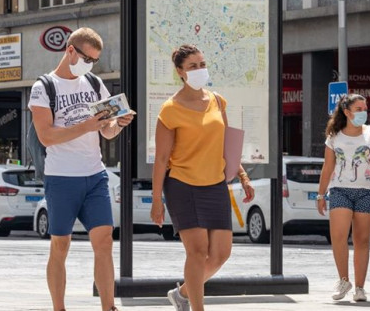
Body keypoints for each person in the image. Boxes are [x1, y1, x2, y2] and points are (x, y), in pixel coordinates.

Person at [28, 27, 133, 311]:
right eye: (87, 57)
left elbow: (107, 132)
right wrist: (88, 125)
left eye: (95, 60)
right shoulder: (44, 87)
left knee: (104, 241)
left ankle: (108, 307)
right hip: (61, 177)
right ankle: (59, 308)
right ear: (70, 50)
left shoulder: (93, 82)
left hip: (95, 174)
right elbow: (46, 136)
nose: (90, 64)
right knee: (61, 245)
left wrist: (117, 125)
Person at [150, 44, 255, 311]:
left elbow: (226, 145)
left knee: (221, 254)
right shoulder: (170, 109)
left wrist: (242, 176)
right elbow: (161, 159)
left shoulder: (218, 101)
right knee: (197, 252)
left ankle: (183, 293)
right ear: (180, 72)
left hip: (215, 184)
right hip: (182, 185)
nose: (199, 70)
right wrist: (156, 200)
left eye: (202, 64)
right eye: (192, 66)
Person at [316, 94, 370, 302]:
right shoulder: (334, 136)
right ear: (347, 112)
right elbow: (328, 166)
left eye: (365, 108)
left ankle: (359, 287)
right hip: (340, 189)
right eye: (358, 109)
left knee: (361, 240)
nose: (363, 112)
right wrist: (321, 194)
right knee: (338, 236)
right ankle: (343, 280)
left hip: (368, 189)